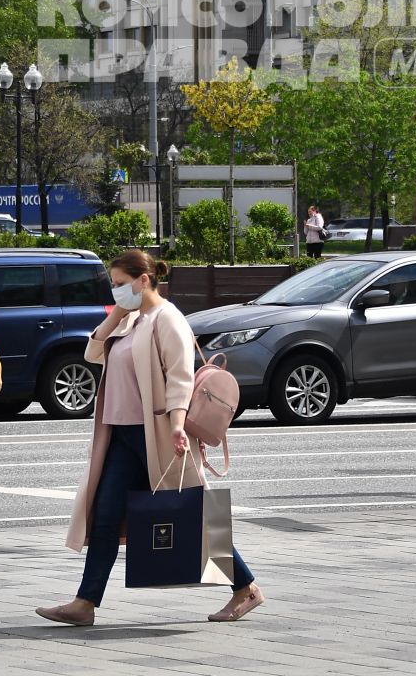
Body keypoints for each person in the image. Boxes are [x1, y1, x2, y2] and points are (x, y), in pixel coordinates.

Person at [39, 249, 264, 627]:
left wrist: (177, 425)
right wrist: (117, 315)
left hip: (157, 434)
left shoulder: (167, 318)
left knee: (196, 511)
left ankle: (247, 588)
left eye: (121, 284)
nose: (115, 291)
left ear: (144, 280)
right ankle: (85, 602)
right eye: (112, 285)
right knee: (106, 517)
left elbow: (180, 377)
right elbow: (93, 352)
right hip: (121, 436)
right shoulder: (132, 320)